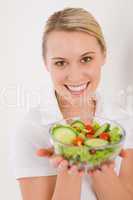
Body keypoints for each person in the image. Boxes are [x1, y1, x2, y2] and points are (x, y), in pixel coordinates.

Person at [10, 7, 133, 200]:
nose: (74, 76)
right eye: (60, 63)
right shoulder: (31, 132)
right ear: (46, 64)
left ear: (104, 55)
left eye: (86, 59)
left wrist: (98, 164)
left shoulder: (124, 124)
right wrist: (70, 171)